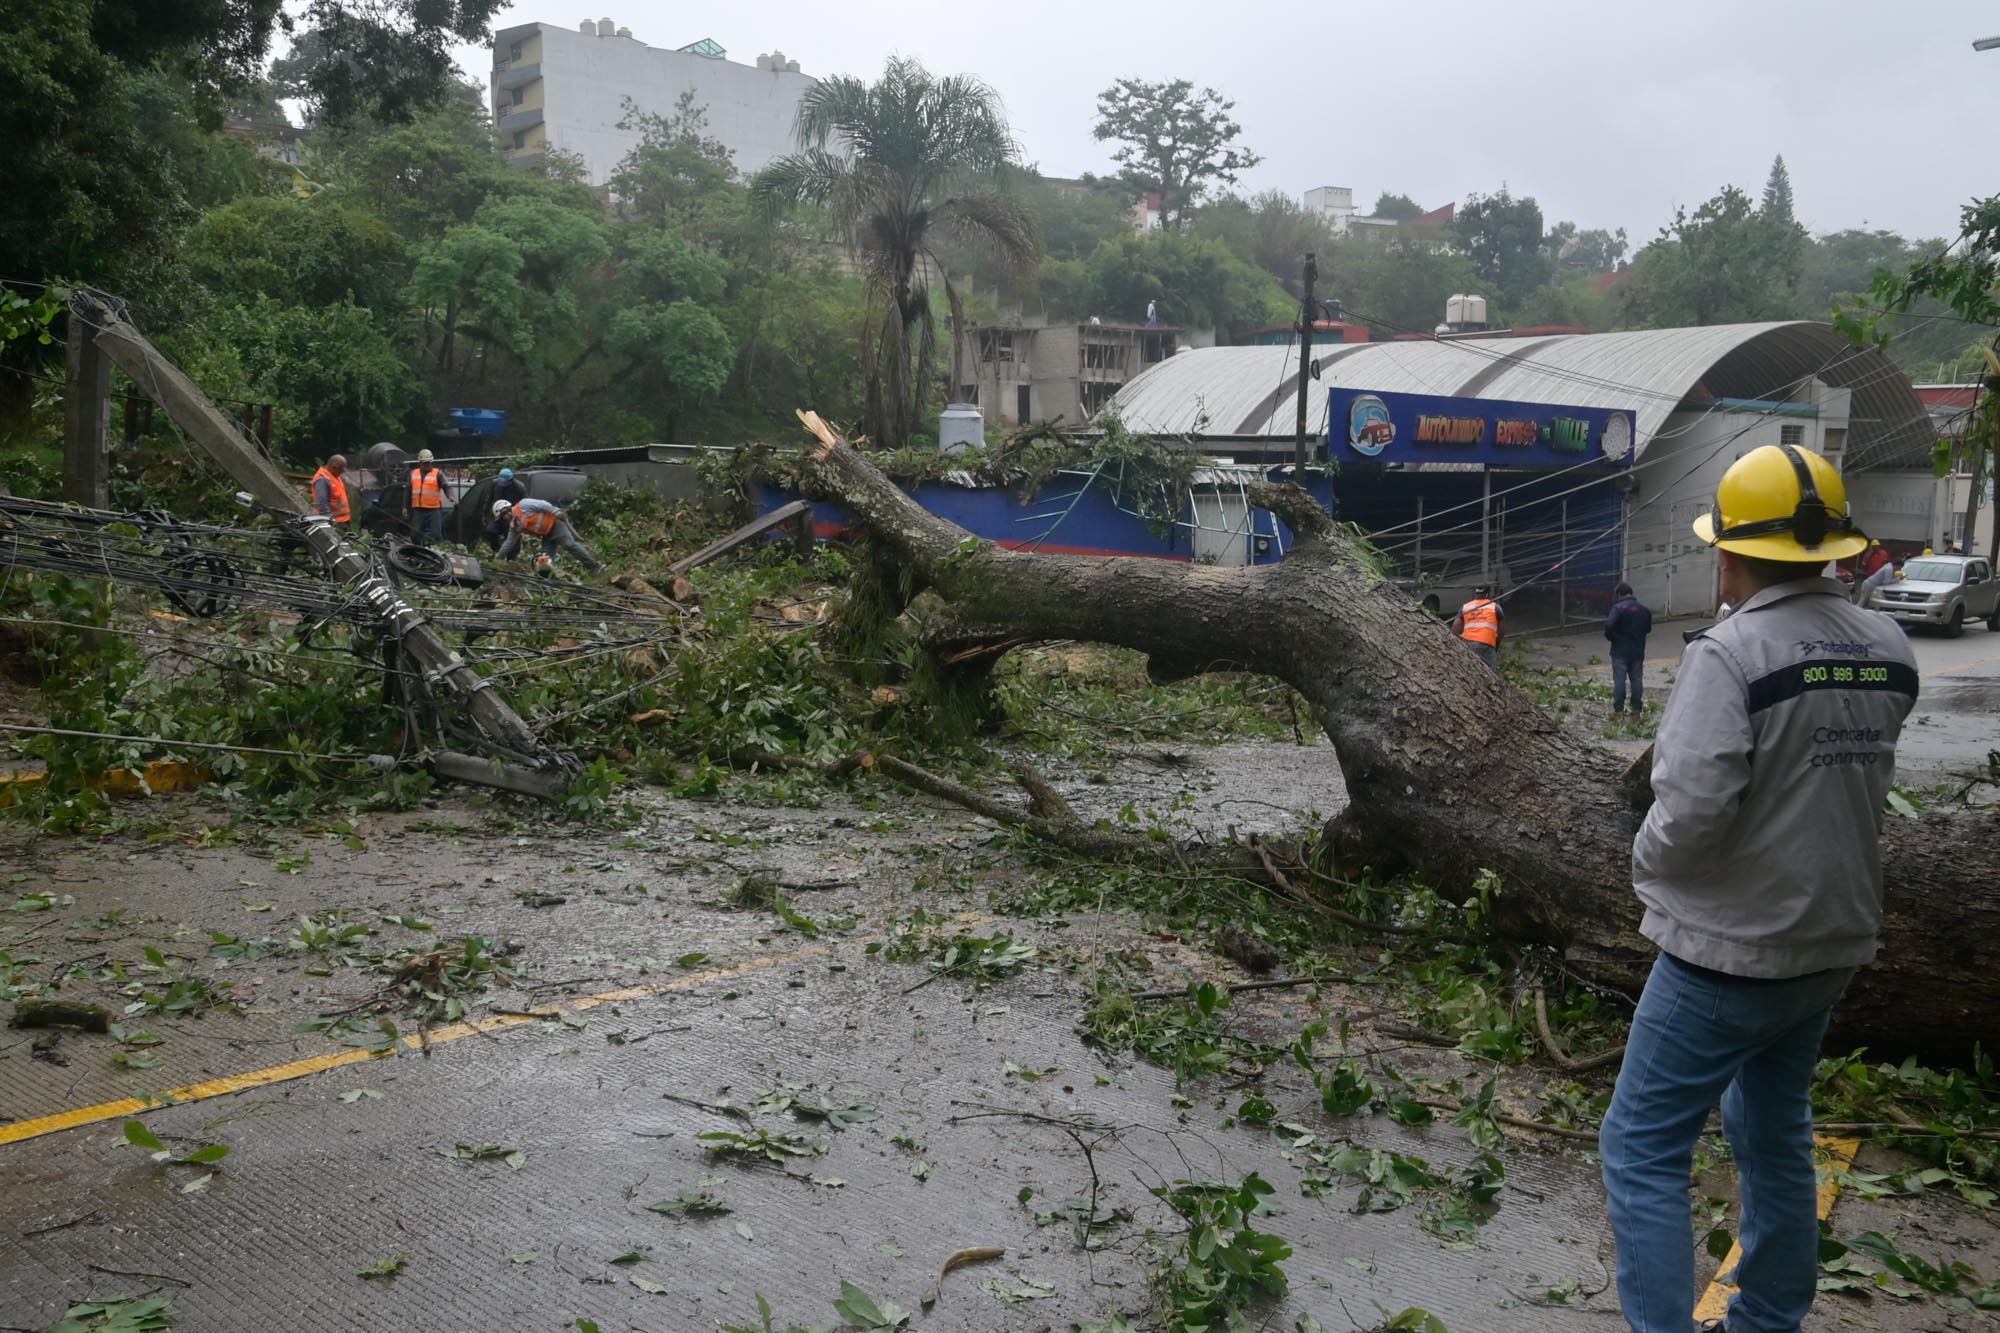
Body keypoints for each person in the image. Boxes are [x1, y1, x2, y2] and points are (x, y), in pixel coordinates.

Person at [1599, 444, 1918, 1333]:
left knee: (1640, 1149)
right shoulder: (1886, 645)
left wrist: (1646, 868)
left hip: (1726, 956)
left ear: (1731, 552)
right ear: (1829, 549)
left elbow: (1691, 810)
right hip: (1830, 941)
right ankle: (1769, 1317)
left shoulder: (1731, 654)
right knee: (1774, 1129)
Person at [493, 497, 601, 572]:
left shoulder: (523, 505)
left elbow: (543, 505)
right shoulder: (514, 526)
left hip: (555, 524)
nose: (504, 520)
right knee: (545, 561)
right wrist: (498, 558)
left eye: (503, 517)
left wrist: (556, 512)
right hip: (546, 535)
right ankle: (549, 581)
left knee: (568, 544)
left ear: (506, 511)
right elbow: (509, 543)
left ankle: (594, 567)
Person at [1604, 582, 1654, 716]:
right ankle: (1636, 709)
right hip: (1638, 650)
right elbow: (1648, 629)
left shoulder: (1618, 608)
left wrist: (1611, 636)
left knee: (1620, 680)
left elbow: (1609, 624)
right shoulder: (1644, 610)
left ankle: (1619, 710)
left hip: (1620, 650)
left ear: (1619, 594)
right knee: (1637, 680)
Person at [1450, 583, 1503, 668]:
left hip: (1467, 644)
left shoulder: (1465, 607)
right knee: (1490, 673)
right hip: (1486, 644)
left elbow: (1455, 628)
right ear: (1488, 594)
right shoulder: (1495, 607)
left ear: (1475, 594)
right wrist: (1495, 646)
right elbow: (1501, 631)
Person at [404, 449, 445, 546]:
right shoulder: (413, 474)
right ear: (420, 463)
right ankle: (419, 550)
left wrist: (451, 497)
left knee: (436, 535)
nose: (427, 465)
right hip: (418, 510)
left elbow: (446, 486)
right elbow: (407, 491)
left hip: (434, 509)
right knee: (414, 535)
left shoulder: (438, 474)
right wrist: (405, 507)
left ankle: (437, 552)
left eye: (429, 463)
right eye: (425, 463)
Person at [482, 467, 527, 549]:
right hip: (496, 514)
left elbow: (524, 503)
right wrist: (485, 515)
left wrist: (520, 518)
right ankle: (496, 549)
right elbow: (488, 499)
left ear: (511, 480)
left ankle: (511, 557)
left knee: (511, 537)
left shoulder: (519, 487)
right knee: (490, 531)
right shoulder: (495, 484)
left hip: (511, 515)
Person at [309, 454, 349, 528]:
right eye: (341, 469)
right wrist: (329, 521)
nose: (342, 472)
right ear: (334, 467)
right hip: (334, 523)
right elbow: (322, 503)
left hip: (343, 520)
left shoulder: (334, 476)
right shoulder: (322, 480)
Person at [1852, 539, 1892, 605]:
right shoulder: (1869, 554)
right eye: (1874, 546)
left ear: (1879, 546)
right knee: (1866, 595)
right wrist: (1869, 555)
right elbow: (1863, 564)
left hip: (1879, 577)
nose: (1875, 548)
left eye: (1877, 546)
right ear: (1871, 547)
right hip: (1871, 576)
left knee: (1876, 594)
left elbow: (1886, 563)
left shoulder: (1884, 553)